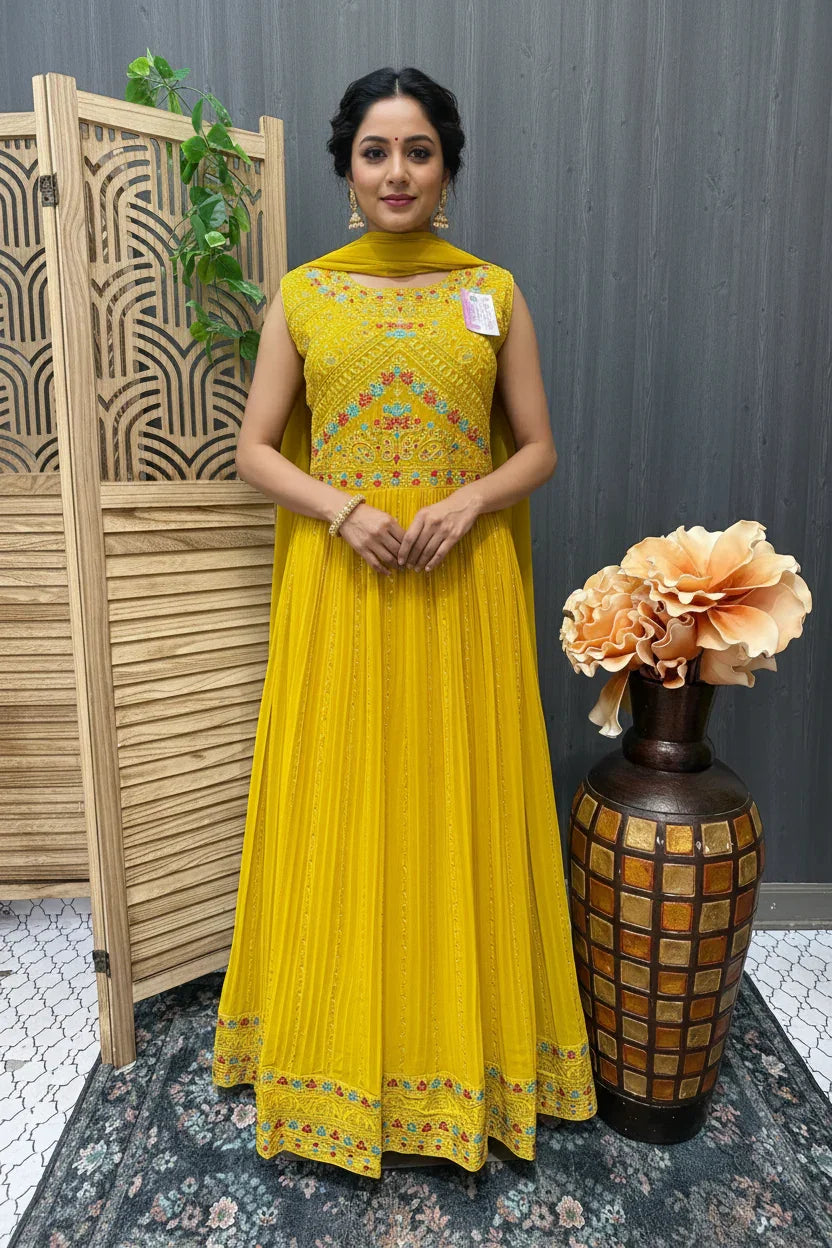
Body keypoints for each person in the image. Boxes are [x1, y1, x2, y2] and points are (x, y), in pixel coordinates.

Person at [211, 65, 596, 1180]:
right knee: (345, 805)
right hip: (344, 591)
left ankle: (459, 1061)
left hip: (459, 590)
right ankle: (335, 1059)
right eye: (376, 151)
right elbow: (253, 450)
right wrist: (342, 511)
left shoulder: (494, 291)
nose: (397, 172)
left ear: (447, 166)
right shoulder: (305, 294)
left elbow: (537, 446)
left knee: (453, 803)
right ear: (346, 169)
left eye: (418, 150)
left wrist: (469, 499)